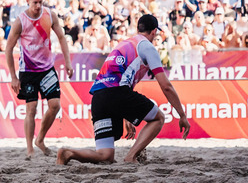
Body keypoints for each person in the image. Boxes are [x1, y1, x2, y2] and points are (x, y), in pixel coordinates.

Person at [57, 14, 190, 166]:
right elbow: (166, 86)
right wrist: (182, 115)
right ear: (154, 32)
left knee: (105, 155)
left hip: (98, 96)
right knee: (158, 118)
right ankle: (130, 156)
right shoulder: (148, 47)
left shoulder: (124, 43)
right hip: (116, 93)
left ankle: (68, 153)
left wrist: (126, 115)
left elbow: (121, 80)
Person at [4, 0, 73, 158]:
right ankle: (30, 149)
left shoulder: (49, 15)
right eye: (35, 2)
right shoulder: (20, 21)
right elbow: (8, 49)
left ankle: (40, 139)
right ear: (27, 1)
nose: (38, 6)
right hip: (28, 70)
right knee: (31, 109)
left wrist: (68, 62)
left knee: (55, 105)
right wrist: (13, 77)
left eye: (40, 2)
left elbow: (62, 38)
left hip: (47, 68)